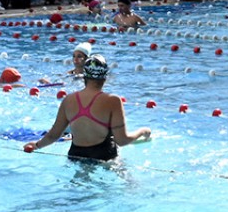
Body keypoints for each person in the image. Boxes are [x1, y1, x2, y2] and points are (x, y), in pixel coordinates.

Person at [22, 55, 151, 161]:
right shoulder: (113, 101)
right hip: (104, 156)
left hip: (76, 156)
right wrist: (142, 131)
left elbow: (53, 135)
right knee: (129, 181)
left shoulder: (68, 100)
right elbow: (122, 140)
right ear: (105, 77)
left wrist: (36, 145)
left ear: (84, 76)